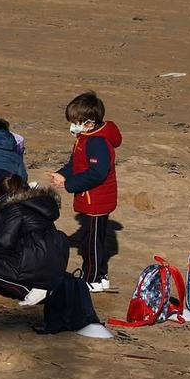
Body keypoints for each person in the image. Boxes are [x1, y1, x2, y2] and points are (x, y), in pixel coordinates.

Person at [0, 176, 102, 333]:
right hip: (54, 258)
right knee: (11, 263)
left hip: (33, 259)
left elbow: (4, 242)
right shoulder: (39, 205)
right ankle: (41, 285)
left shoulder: (14, 208)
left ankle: (33, 289)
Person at [48, 91, 120, 293]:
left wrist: (69, 184)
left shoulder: (97, 142)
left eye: (76, 122)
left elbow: (97, 173)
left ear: (89, 123)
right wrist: (63, 174)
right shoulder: (85, 137)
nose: (72, 126)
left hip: (96, 200)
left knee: (92, 242)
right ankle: (100, 275)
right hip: (90, 198)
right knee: (91, 239)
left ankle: (93, 278)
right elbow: (75, 163)